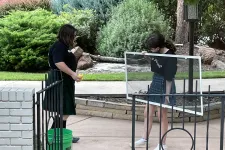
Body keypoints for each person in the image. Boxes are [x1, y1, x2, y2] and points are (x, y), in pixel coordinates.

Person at [132, 32, 177, 150]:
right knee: (148, 112)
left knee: (162, 114)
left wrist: (167, 96)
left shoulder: (170, 56)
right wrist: (147, 57)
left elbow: (169, 78)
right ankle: (144, 138)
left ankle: (163, 144)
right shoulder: (156, 52)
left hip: (165, 84)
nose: (151, 49)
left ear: (158, 47)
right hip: (156, 81)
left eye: (152, 48)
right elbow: (157, 65)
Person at [46, 24, 82, 143]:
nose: (75, 38)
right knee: (65, 109)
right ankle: (53, 135)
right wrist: (72, 73)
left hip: (65, 81)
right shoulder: (59, 47)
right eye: (73, 35)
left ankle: (60, 135)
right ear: (67, 35)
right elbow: (59, 63)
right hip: (60, 81)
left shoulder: (63, 46)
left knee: (64, 110)